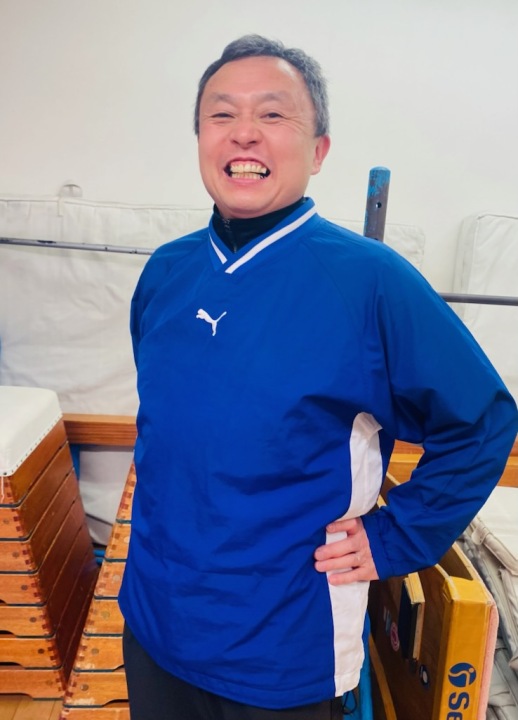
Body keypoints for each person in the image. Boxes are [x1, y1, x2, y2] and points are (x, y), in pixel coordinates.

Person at [118, 34, 518, 720]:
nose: (244, 132)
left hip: (282, 645)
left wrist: (396, 536)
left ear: (319, 149)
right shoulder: (166, 272)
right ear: (201, 138)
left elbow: (481, 423)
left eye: (273, 114)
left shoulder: (369, 282)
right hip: (155, 621)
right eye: (221, 114)